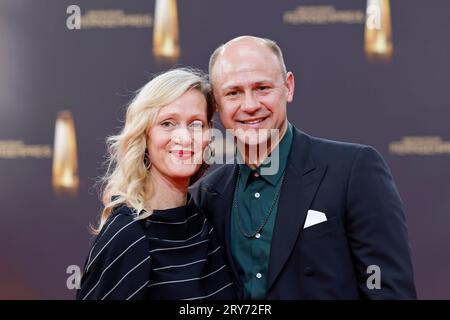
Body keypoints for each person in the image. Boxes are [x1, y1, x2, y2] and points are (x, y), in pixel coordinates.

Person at [191, 36, 417, 299]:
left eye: (262, 88)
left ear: (288, 87)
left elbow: (384, 284)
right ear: (216, 104)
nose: (250, 105)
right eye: (233, 93)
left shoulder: (353, 169)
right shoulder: (209, 193)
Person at [77, 68, 236, 300]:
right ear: (144, 134)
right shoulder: (129, 237)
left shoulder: (206, 221)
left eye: (196, 124)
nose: (184, 137)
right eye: (168, 123)